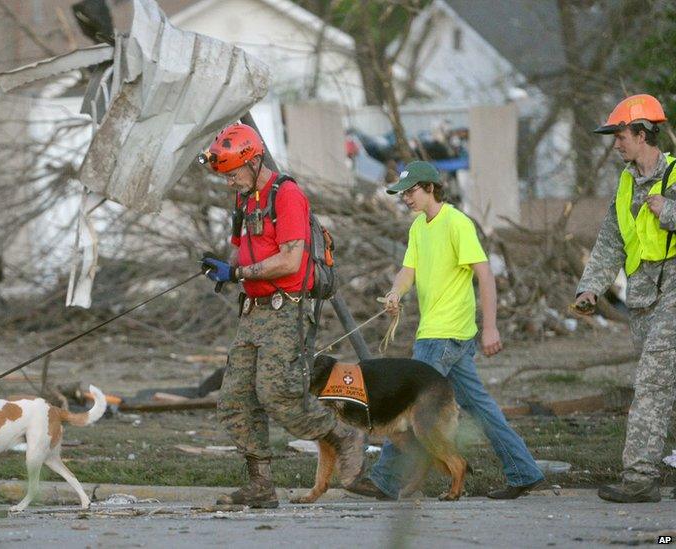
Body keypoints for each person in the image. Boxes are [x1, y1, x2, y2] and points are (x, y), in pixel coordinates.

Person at [348, 160, 545, 500]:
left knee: (406, 404)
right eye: (402, 193)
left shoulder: (457, 223)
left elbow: (484, 274)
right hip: (441, 336)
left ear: (429, 188)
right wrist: (396, 292)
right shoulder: (418, 228)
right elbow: (407, 271)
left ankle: (384, 481)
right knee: (480, 407)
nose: (406, 198)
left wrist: (491, 327)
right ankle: (524, 470)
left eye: (410, 191)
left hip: (444, 335)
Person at [199, 123, 365, 508]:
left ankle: (343, 435)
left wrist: (238, 273)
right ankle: (260, 486)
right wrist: (222, 268)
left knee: (278, 395)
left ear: (255, 161)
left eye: (234, 173)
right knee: (235, 400)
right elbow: (242, 250)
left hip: (284, 310)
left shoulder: (287, 196)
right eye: (225, 175)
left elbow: (291, 260)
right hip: (252, 313)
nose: (230, 182)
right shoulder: (245, 198)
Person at [574, 94, 676, 503]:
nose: (616, 143)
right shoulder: (626, 183)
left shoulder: (675, 175)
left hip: (673, 292)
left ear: (643, 133)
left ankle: (639, 478)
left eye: (621, 135)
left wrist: (667, 211)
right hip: (642, 299)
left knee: (651, 383)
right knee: (668, 388)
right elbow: (610, 240)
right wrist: (590, 287)